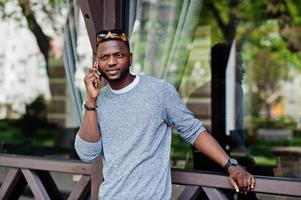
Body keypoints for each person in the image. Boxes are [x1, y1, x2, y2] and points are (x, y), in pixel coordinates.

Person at [74, 29, 255, 199]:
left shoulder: (159, 91)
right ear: (96, 63)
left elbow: (194, 131)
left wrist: (231, 166)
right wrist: (91, 101)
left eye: (118, 55)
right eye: (104, 57)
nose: (111, 62)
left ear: (130, 58)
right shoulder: (96, 101)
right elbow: (87, 154)